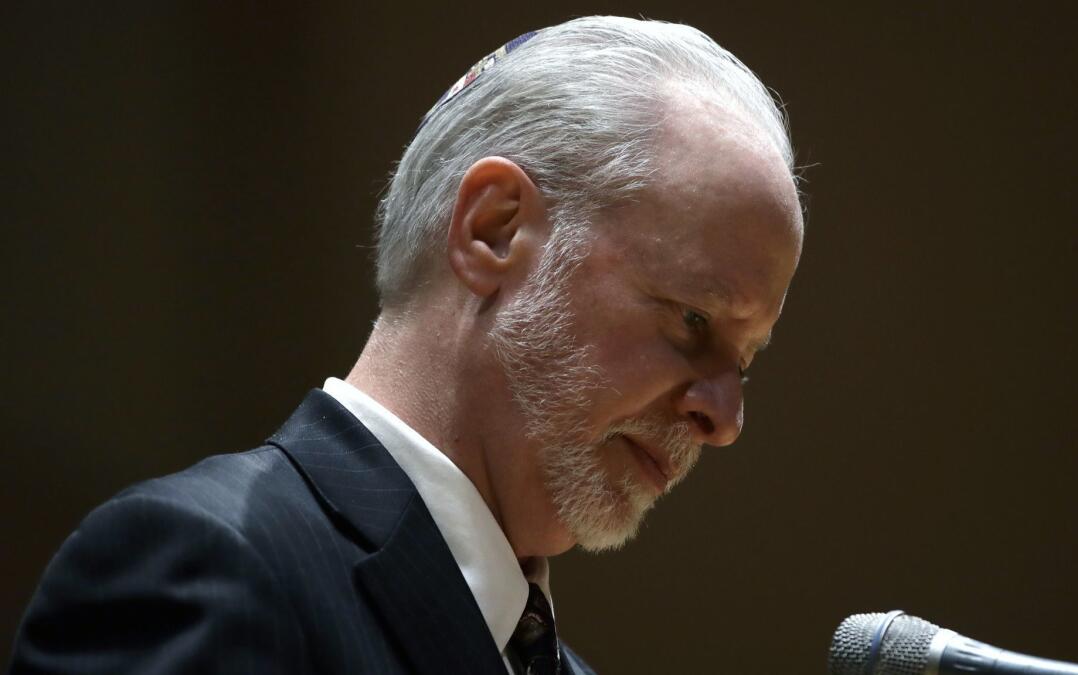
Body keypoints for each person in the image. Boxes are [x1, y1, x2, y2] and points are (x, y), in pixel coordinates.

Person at [9, 15, 804, 675]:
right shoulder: (204, 571)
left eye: (746, 361)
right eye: (694, 319)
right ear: (494, 231)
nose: (725, 418)